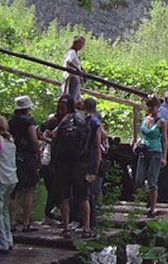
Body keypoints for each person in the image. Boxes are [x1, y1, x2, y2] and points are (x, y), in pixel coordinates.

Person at [50, 94, 92, 238]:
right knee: (83, 196)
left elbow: (54, 139)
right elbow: (90, 141)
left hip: (63, 162)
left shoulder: (63, 121)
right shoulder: (84, 119)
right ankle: (86, 227)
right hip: (80, 162)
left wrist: (53, 160)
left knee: (64, 195)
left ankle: (66, 227)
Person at [8, 96, 41, 233]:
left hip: (13, 157)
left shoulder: (10, 122)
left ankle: (12, 222)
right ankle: (26, 223)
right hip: (27, 157)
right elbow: (33, 139)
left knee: (14, 191)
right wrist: (38, 153)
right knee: (29, 189)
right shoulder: (29, 121)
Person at [133, 96, 168, 217]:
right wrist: (137, 142)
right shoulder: (144, 119)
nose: (151, 108)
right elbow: (141, 134)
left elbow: (164, 140)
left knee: (152, 180)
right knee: (139, 179)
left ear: (157, 107)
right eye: (149, 105)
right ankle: (147, 197)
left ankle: (152, 208)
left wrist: (164, 156)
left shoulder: (161, 122)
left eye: (153, 106)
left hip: (155, 152)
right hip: (144, 151)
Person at [81, 98, 103, 227]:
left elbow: (97, 145)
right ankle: (88, 222)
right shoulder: (94, 121)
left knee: (88, 192)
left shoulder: (93, 122)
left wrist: (96, 166)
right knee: (87, 192)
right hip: (88, 160)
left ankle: (90, 222)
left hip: (86, 160)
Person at [0, 115, 18, 253]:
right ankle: (8, 240)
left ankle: (2, 243)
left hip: (1, 179)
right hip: (11, 178)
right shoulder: (10, 139)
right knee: (4, 210)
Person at [62, 36, 86, 102]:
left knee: (76, 97)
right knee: (72, 98)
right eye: (80, 43)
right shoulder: (72, 52)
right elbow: (68, 61)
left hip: (74, 77)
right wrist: (78, 70)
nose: (81, 45)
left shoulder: (73, 53)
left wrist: (81, 69)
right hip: (72, 77)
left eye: (83, 44)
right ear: (76, 42)